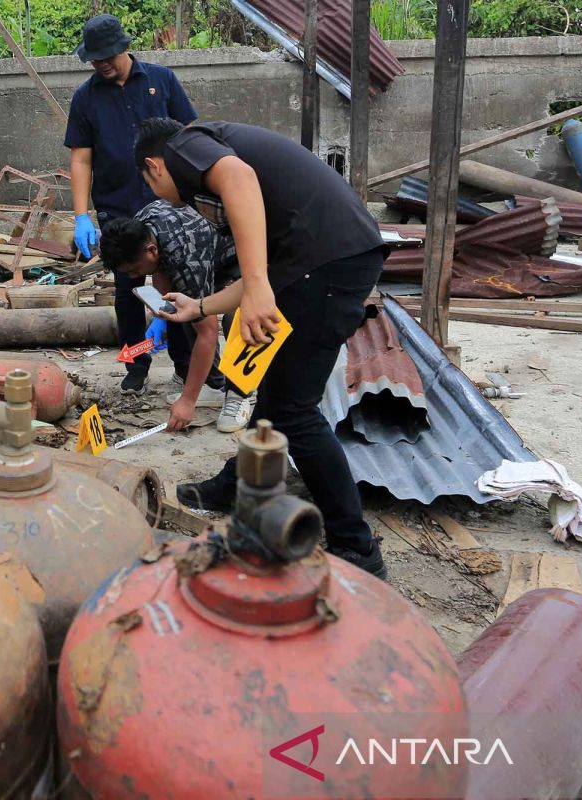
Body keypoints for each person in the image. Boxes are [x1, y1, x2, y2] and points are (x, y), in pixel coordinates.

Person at [134, 117, 388, 578]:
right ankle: (236, 485)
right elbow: (268, 270)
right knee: (274, 397)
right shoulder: (213, 154)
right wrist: (201, 307)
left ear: (153, 166)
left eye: (150, 184)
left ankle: (357, 547)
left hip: (330, 261)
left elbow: (239, 181)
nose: (159, 196)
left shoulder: (184, 145)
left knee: (294, 409)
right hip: (323, 260)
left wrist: (255, 287)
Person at [64, 14, 202, 398]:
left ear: (124, 47)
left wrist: (192, 192)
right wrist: (80, 215)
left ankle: (186, 365)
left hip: (168, 207)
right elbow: (81, 159)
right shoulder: (86, 98)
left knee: (176, 286)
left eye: (107, 55)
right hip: (118, 210)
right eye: (94, 59)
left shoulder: (162, 81)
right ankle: (136, 362)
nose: (102, 64)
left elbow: (190, 135)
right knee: (127, 293)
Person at [98, 203, 256, 433]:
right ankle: (214, 384)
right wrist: (165, 313)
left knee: (237, 315)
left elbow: (208, 333)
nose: (134, 276)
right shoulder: (142, 224)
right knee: (182, 312)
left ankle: (242, 393)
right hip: (205, 245)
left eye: (134, 269)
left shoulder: (188, 257)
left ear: (151, 250)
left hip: (245, 254)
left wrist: (188, 401)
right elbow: (161, 270)